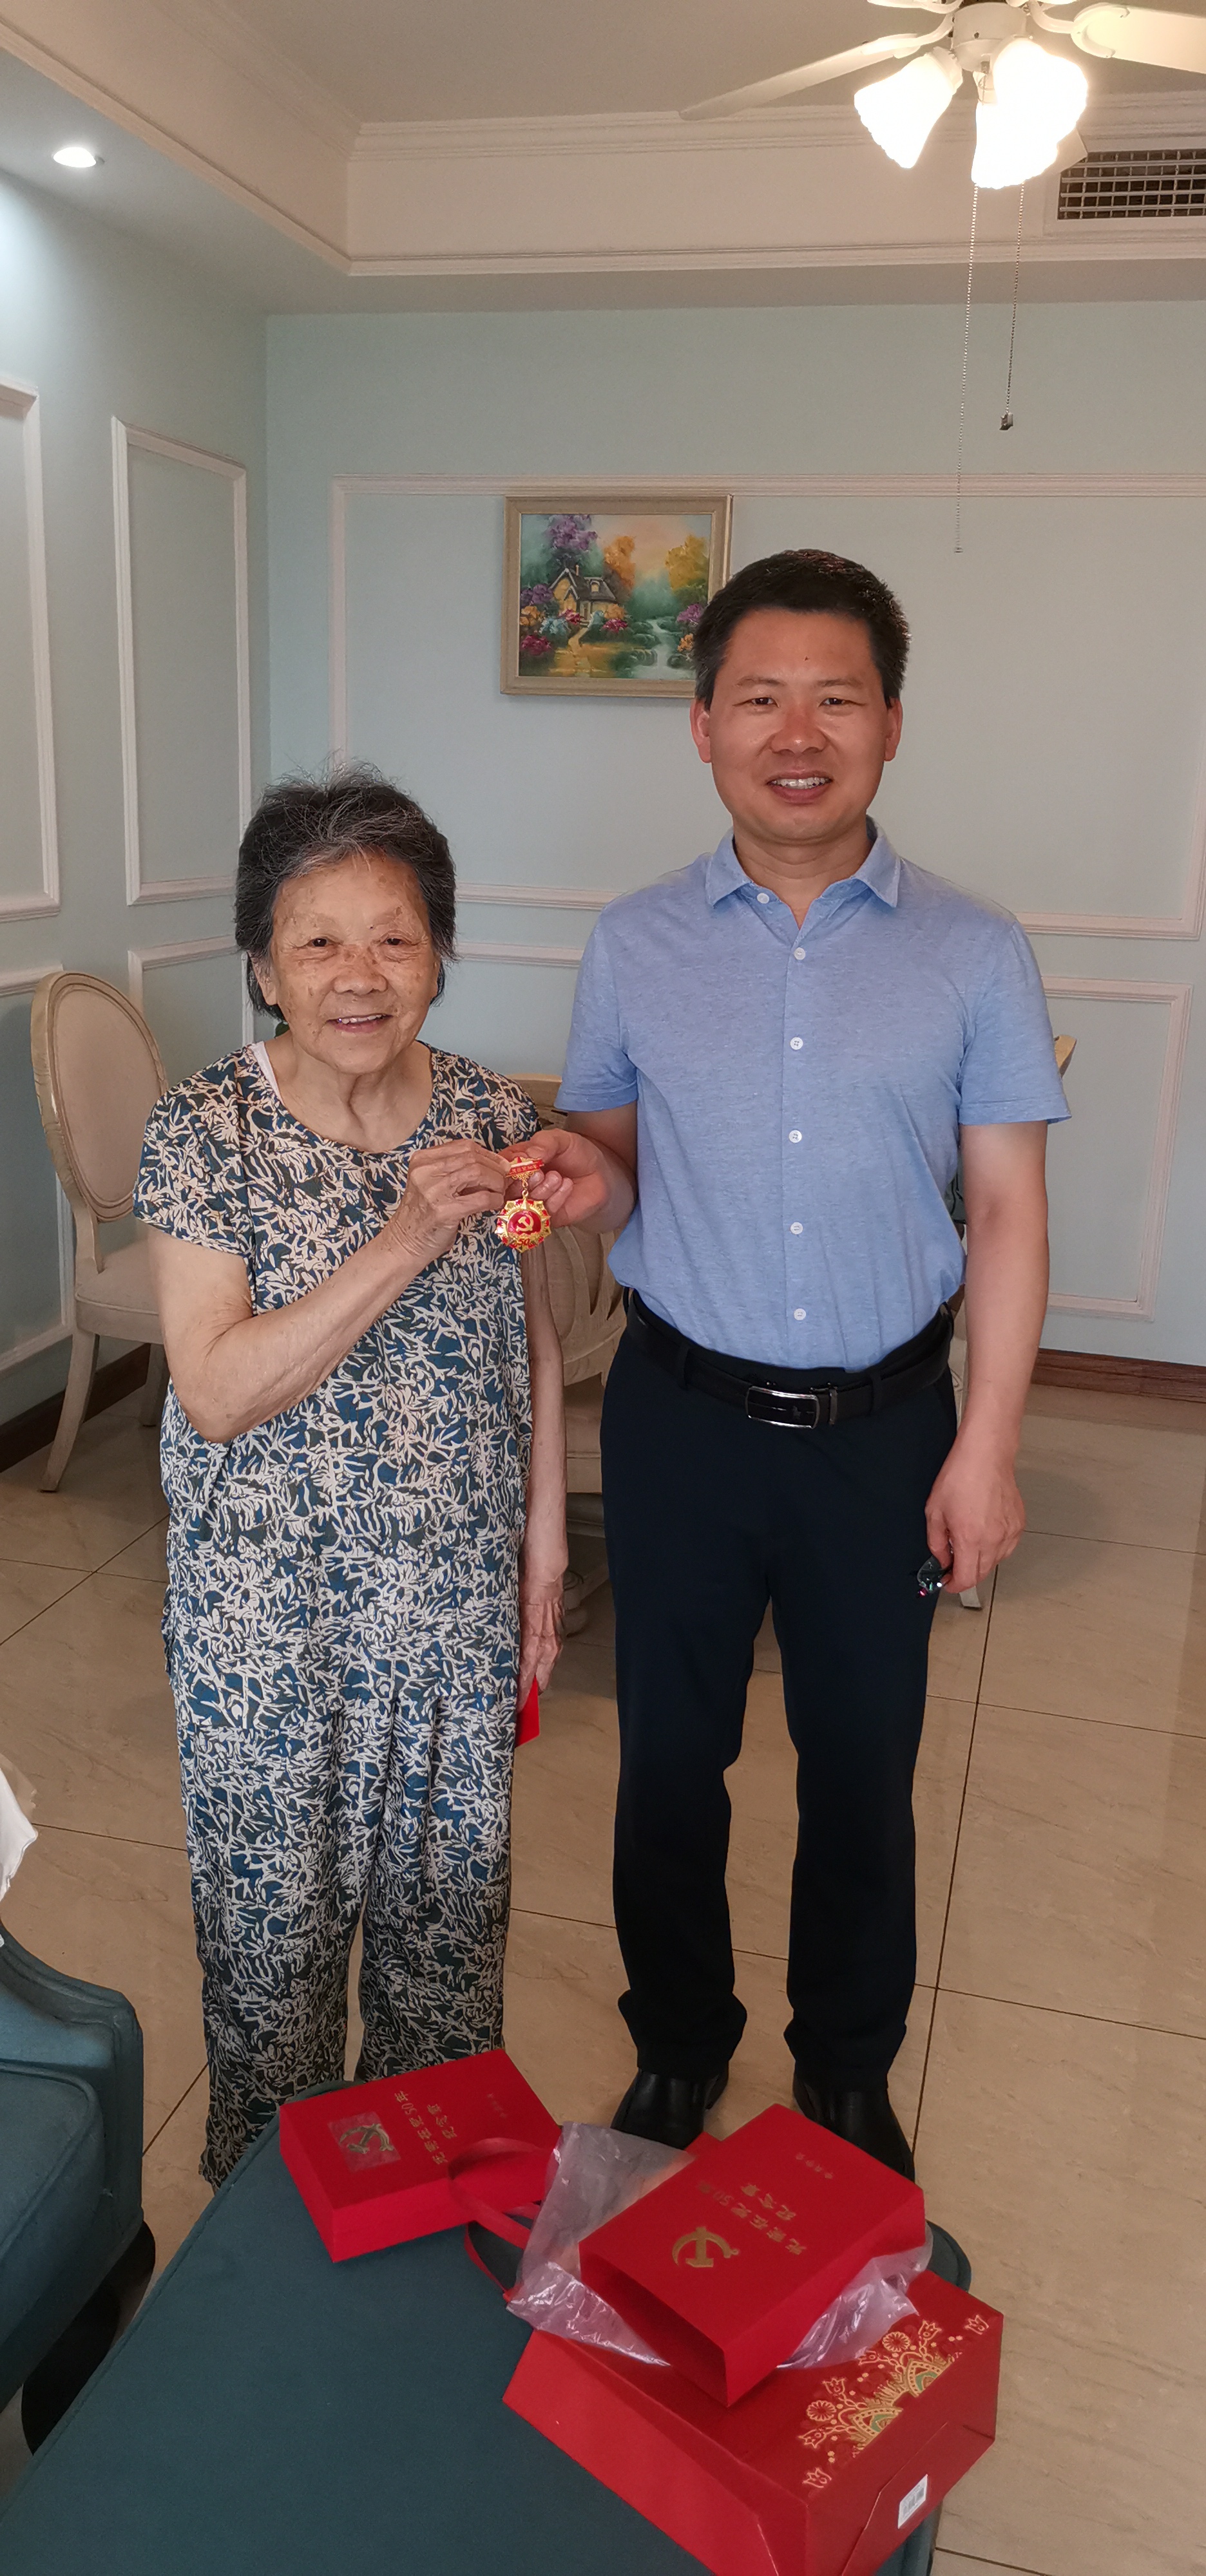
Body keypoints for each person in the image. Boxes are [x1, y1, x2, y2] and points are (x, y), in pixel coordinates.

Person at [533, 550, 1067, 2175]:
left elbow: (1006, 1210)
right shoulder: (634, 942)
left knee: (860, 1767)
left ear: (891, 724)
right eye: (760, 696)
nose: (798, 731)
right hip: (681, 1414)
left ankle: (843, 2067)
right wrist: (573, 1175)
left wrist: (986, 1443)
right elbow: (614, 1155)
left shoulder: (975, 949)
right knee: (666, 1765)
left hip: (880, 1429)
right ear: (703, 725)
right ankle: (679, 2045)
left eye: (837, 697)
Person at [135, 768, 566, 2186]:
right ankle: (268, 2238)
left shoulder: (489, 1110)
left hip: (452, 1606)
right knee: (276, 1963)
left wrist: (545, 1547)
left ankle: (425, 2222)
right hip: (271, 1622)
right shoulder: (205, 1131)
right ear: (264, 965)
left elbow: (528, 1341)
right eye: (317, 941)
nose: (359, 975)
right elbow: (217, 1389)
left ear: (440, 953)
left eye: (395, 937)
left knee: (449, 1956)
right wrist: (404, 1235)